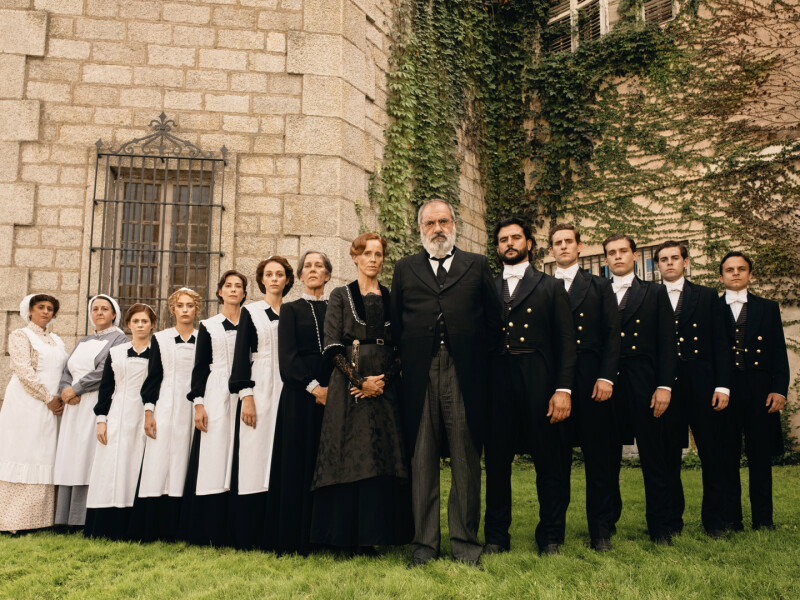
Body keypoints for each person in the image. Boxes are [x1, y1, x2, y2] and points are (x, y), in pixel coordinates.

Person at [391, 199, 502, 567]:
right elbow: (397, 323)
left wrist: (478, 364)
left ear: (455, 224)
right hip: (419, 374)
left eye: (443, 221)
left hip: (464, 374)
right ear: (420, 228)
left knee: (466, 460)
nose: (437, 228)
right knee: (421, 460)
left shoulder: (477, 264)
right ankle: (423, 546)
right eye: (430, 223)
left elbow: (494, 322)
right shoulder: (405, 268)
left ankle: (465, 545)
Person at [310, 233, 411, 553]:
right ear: (355, 257)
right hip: (348, 388)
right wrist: (359, 381)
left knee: (383, 457)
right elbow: (332, 345)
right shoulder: (340, 295)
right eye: (367, 253)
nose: (373, 259)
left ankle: (379, 535)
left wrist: (384, 381)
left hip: (385, 388)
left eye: (378, 254)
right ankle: (345, 538)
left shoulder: (392, 297)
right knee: (350, 457)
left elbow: (403, 347)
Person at [483, 219, 576, 556]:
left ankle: (550, 536)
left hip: (539, 380)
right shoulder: (486, 288)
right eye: (503, 239)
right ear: (497, 247)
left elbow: (567, 343)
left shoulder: (550, 286)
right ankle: (496, 537)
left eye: (516, 237)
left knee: (549, 462)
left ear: (529, 244)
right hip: (497, 384)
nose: (509, 243)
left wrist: (563, 389)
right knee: (496, 464)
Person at [548, 224, 620, 552]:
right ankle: (553, 534)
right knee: (556, 461)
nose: (563, 246)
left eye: (568, 241)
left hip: (592, 380)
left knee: (599, 459)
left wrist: (606, 377)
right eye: (557, 243)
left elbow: (612, 334)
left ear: (579, 246)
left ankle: (600, 532)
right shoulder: (543, 286)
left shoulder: (600, 285)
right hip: (556, 382)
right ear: (551, 250)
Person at [654, 241, 733, 538]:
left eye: (675, 258)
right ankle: (671, 520)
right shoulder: (651, 296)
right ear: (657, 265)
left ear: (685, 262)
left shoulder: (707, 295)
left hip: (702, 381)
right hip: (666, 385)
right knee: (668, 455)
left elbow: (721, 343)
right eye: (663, 259)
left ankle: (715, 521)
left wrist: (723, 385)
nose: (669, 263)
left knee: (712, 453)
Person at [603, 234, 677, 545]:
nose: (617, 256)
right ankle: (605, 525)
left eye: (623, 251)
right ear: (606, 259)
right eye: (611, 253)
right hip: (607, 384)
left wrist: (664, 385)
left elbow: (667, 343)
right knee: (606, 458)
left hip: (644, 383)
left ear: (635, 255)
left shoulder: (655, 292)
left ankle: (660, 527)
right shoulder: (598, 291)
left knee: (653, 457)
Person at [264, 251, 332, 555]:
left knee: (327, 462)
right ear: (301, 276)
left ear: (328, 275)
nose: (313, 270)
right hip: (300, 395)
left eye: (319, 266)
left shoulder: (336, 307)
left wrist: (334, 389)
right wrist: (315, 388)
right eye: (308, 266)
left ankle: (327, 535)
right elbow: (287, 358)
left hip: (334, 396)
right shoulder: (290, 310)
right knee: (297, 463)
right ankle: (295, 538)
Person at [718, 251, 789, 531]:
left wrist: (779, 390)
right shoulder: (712, 307)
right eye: (730, 269)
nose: (735, 273)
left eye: (741, 268)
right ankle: (731, 519)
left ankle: (763, 520)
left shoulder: (768, 308)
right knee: (727, 456)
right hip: (724, 389)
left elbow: (779, 351)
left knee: (760, 456)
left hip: (760, 389)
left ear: (750, 274)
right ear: (721, 276)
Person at [227, 257, 293, 550]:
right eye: (269, 274)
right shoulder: (251, 312)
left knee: (280, 453)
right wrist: (247, 396)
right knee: (255, 453)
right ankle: (249, 532)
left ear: (288, 280)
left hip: (287, 387)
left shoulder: (292, 311)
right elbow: (241, 355)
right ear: (262, 280)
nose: (275, 278)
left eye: (280, 274)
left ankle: (278, 527)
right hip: (260, 385)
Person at [181, 271, 247, 547]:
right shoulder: (208, 326)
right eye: (228, 286)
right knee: (214, 454)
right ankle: (209, 528)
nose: (233, 290)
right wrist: (199, 404)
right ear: (220, 292)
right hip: (216, 391)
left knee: (242, 453)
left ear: (244, 293)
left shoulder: (250, 322)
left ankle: (239, 525)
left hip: (245, 392)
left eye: (238, 286)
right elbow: (199, 368)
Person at [54, 295, 127, 528]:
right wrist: (65, 390)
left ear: (114, 314)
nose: (99, 313)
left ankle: (81, 516)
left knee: (87, 455)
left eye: (105, 309)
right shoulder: (83, 340)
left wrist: (76, 389)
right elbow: (67, 370)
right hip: (73, 407)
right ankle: (63, 517)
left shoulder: (119, 338)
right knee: (70, 455)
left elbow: (105, 370)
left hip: (94, 402)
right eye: (95, 309)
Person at [84, 303, 156, 540]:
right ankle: (106, 524)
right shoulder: (116, 352)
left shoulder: (158, 352)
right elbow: (106, 388)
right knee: (112, 464)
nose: (140, 325)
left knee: (136, 463)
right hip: (117, 412)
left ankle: (134, 525)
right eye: (136, 321)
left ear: (152, 325)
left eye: (144, 321)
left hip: (144, 413)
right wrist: (101, 419)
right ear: (128, 324)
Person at [136, 288, 201, 542]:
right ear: (172, 309)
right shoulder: (161, 339)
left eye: (190, 305)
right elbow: (153, 377)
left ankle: (182, 525)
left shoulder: (202, 338)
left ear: (196, 309)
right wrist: (148, 412)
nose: (185, 310)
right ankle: (155, 525)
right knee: (159, 458)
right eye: (180, 305)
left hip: (194, 405)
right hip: (165, 403)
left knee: (186, 458)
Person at [0, 294, 67, 533]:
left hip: (52, 406)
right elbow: (23, 371)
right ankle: (13, 520)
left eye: (50, 308)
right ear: (30, 311)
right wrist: (47, 398)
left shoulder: (57, 340)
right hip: (26, 403)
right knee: (24, 452)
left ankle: (41, 519)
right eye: (41, 307)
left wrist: (61, 396)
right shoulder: (21, 335)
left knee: (45, 454)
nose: (46, 311)